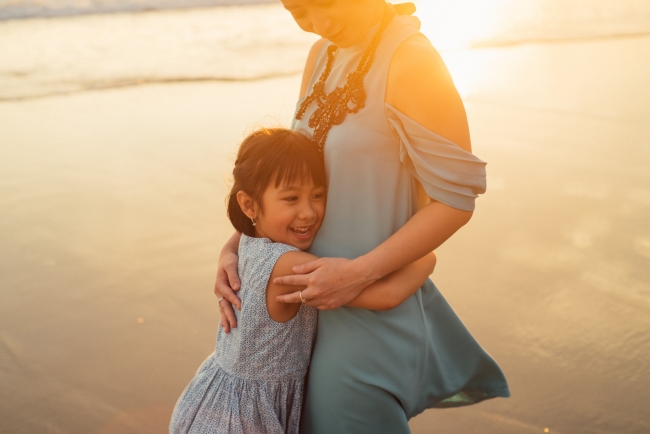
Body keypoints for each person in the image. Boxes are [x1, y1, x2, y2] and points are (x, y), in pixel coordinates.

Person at [214, 1, 511, 432]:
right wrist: (238, 245)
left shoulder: (411, 60)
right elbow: (289, 175)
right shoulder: (322, 54)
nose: (319, 24)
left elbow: (456, 200)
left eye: (326, 4)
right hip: (305, 320)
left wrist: (357, 273)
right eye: (299, 11)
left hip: (367, 317)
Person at [170, 128, 436, 434]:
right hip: (244, 421)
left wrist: (226, 250)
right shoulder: (288, 265)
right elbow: (387, 295)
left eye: (318, 195)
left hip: (211, 397)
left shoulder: (248, 243)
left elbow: (242, 229)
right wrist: (427, 257)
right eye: (291, 198)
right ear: (249, 205)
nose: (308, 212)